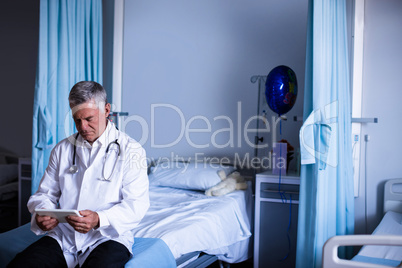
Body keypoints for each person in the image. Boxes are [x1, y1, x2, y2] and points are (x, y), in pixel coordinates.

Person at [8, 81, 150, 268]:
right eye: (77, 120)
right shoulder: (62, 149)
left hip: (108, 237)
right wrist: (41, 215)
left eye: (89, 118)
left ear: (106, 110)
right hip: (64, 236)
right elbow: (44, 194)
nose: (82, 127)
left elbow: (137, 204)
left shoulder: (131, 150)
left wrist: (99, 219)